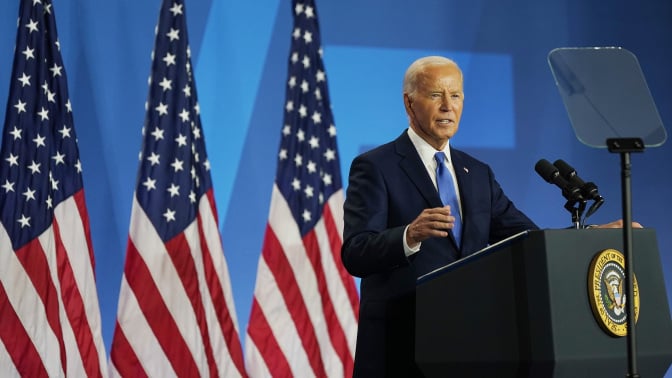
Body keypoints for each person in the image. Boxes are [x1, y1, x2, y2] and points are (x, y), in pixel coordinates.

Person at [340, 56, 638, 377]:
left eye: (455, 96)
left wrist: (587, 234)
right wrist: (408, 236)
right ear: (409, 103)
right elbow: (356, 253)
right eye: (435, 95)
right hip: (400, 349)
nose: (447, 106)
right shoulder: (376, 166)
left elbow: (527, 241)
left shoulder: (477, 173)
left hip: (469, 348)